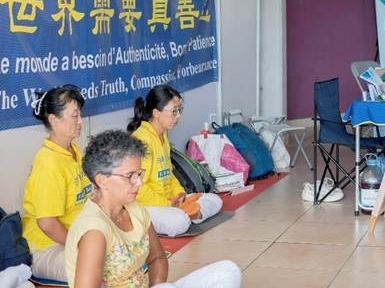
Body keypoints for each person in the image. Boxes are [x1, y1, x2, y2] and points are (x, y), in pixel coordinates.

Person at [65, 129, 241, 287]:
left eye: (139, 174)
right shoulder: (94, 231)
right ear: (102, 180)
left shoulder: (135, 209)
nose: (139, 182)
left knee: (228, 270)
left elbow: (157, 257)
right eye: (130, 176)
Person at [127, 85, 222, 236]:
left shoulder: (163, 136)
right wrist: (167, 204)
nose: (178, 116)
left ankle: (189, 213)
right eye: (174, 111)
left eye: (179, 110)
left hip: (169, 200)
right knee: (179, 222)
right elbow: (137, 187)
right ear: (156, 113)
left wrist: (180, 194)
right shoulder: (142, 139)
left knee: (215, 200)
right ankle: (188, 215)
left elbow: (169, 174)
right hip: (147, 205)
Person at [21, 85, 91, 281]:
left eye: (80, 115)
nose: (80, 121)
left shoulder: (74, 150)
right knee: (97, 270)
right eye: (74, 116)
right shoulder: (48, 163)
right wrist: (80, 245)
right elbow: (47, 223)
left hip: (76, 236)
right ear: (53, 119)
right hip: (47, 247)